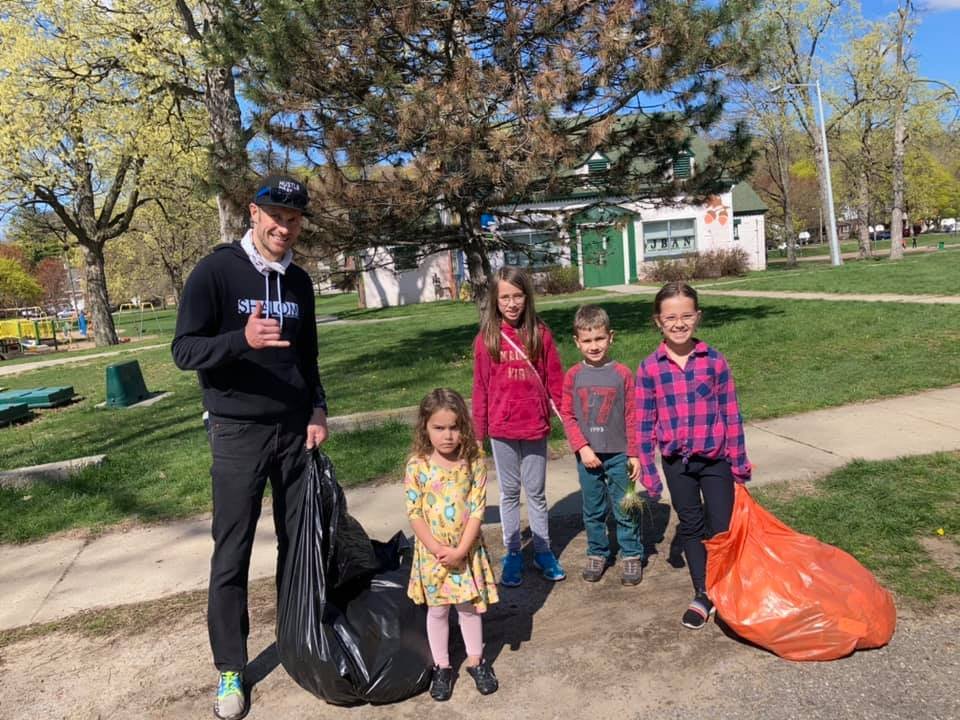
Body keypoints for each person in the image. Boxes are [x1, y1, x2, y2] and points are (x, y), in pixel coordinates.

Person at [171, 174, 328, 720]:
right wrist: (242, 340)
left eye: (293, 219)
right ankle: (231, 670)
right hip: (236, 433)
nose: (283, 227)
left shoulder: (299, 282)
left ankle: (295, 641)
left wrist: (318, 408)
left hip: (293, 432)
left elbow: (307, 357)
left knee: (297, 542)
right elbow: (184, 350)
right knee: (232, 552)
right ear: (253, 213)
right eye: (274, 216)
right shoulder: (216, 271)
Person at [635, 281, 751, 630]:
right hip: (677, 464)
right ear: (658, 320)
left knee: (721, 525)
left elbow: (731, 413)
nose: (679, 323)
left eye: (686, 315)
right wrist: (649, 472)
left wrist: (739, 460)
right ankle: (703, 592)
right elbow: (643, 424)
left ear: (697, 317)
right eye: (671, 317)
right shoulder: (650, 368)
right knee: (691, 525)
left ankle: (727, 588)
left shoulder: (714, 361)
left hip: (715, 460)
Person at [472, 266, 566, 586]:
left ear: (527, 297)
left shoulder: (541, 334)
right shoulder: (487, 340)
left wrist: (570, 420)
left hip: (535, 426)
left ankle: (542, 550)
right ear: (495, 300)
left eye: (517, 296)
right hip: (502, 431)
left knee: (537, 493)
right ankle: (513, 552)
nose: (511, 303)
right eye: (505, 297)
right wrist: (478, 433)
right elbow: (480, 389)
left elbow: (555, 380)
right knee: (510, 493)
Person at [404, 388, 500, 701]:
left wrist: (460, 550)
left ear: (464, 427)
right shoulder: (417, 465)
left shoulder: (474, 460)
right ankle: (443, 667)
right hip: (432, 556)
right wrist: (435, 548)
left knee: (468, 609)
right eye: (439, 428)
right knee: (439, 611)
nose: (447, 435)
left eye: (454, 427)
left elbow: (477, 508)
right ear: (425, 427)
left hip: (466, 551)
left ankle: (476, 661)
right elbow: (414, 513)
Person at [560, 305, 647, 585]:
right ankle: (597, 552)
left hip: (620, 454)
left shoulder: (622, 374)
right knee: (593, 508)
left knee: (625, 506)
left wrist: (634, 453)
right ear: (577, 342)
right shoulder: (573, 376)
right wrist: (582, 448)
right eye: (587, 340)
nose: (594, 346)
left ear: (611, 337)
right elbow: (568, 416)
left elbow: (633, 415)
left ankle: (632, 554)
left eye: (599, 338)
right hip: (588, 457)